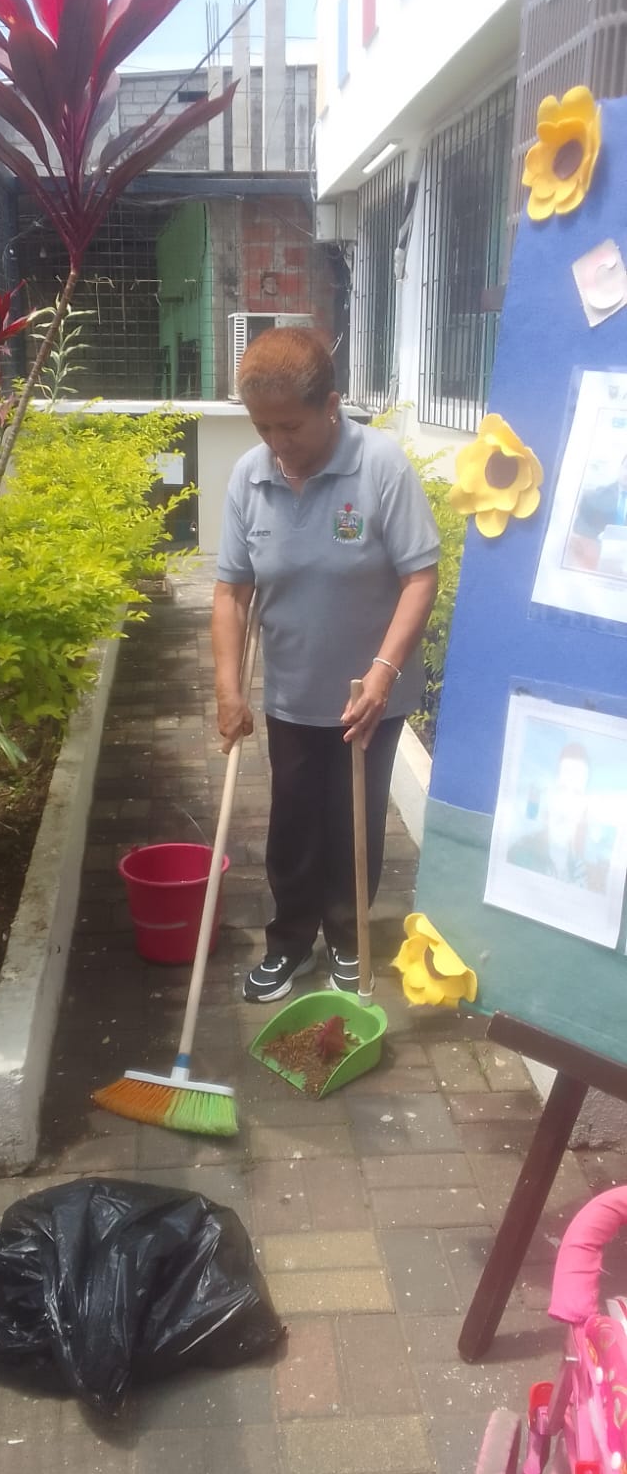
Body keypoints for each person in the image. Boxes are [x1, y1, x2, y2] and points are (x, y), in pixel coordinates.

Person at [211, 327, 439, 1002]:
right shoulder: (250, 477)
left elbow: (419, 577)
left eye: (291, 426)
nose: (277, 441)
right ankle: (289, 942)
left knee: (353, 821)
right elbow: (230, 592)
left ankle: (347, 937)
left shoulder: (380, 466)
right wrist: (228, 689)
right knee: (292, 824)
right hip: (292, 691)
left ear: (331, 405)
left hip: (370, 693)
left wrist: (383, 673)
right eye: (263, 426)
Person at [507, 742, 595, 887]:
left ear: (583, 808)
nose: (567, 803)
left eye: (577, 793)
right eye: (562, 789)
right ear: (550, 796)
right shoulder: (520, 853)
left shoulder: (580, 869)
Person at [568, 452, 627, 570]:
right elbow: (579, 530)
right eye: (626, 467)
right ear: (620, 467)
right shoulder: (597, 496)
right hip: (597, 558)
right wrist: (596, 539)